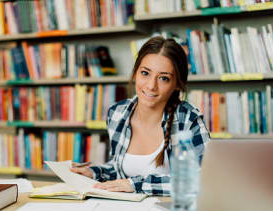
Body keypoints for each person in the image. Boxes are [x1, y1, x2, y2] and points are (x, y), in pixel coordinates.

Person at [71, 36, 210, 196]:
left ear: (177, 84)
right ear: (135, 73)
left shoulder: (188, 119)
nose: (151, 86)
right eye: (145, 73)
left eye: (164, 78)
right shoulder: (117, 113)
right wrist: (94, 173)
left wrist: (136, 185)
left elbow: (201, 179)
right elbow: (119, 169)